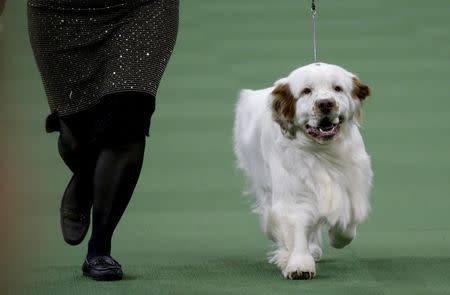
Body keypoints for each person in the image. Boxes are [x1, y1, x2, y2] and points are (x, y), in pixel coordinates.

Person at [26, 0, 179, 281]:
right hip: (57, 12)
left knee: (128, 119)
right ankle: (88, 179)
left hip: (143, 8)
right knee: (75, 136)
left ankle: (99, 248)